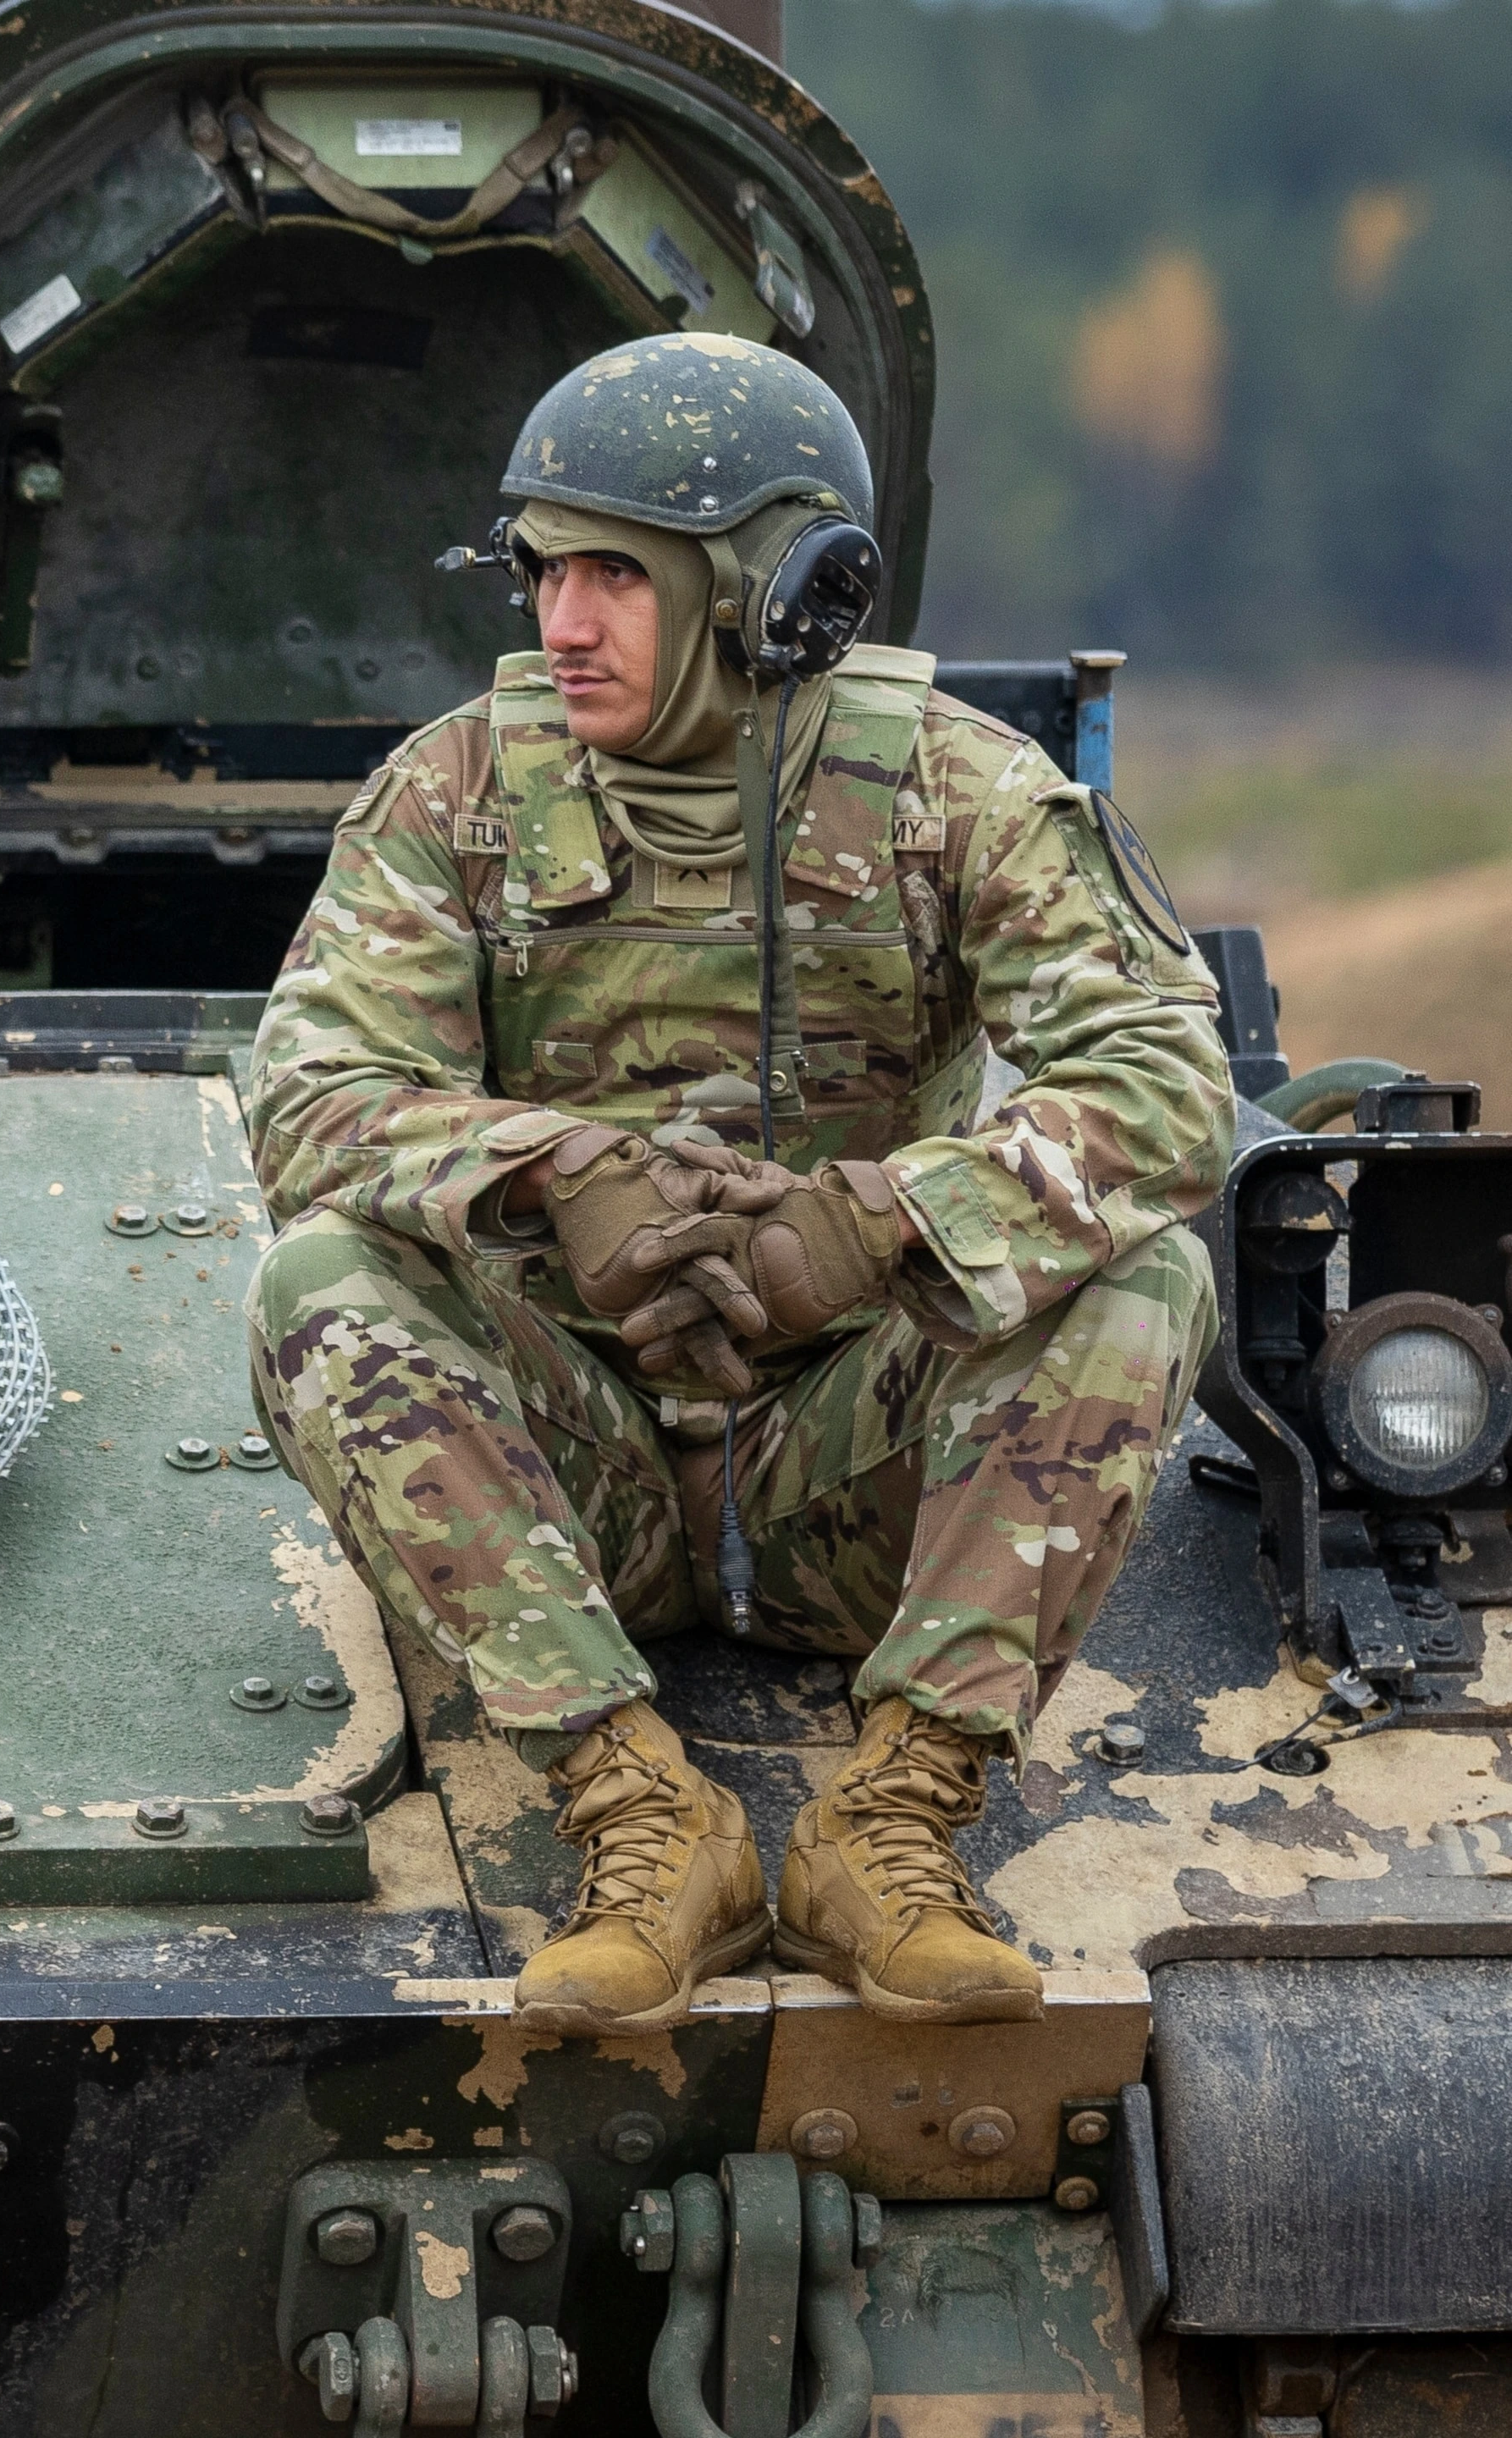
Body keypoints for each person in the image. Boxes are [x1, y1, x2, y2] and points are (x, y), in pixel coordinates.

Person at [242, 333, 1233, 2033]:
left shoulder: (956, 790)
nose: (558, 621)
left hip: (856, 1473)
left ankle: (892, 1821)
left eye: (614, 572)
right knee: (317, 1285)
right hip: (581, 1475)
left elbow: (1164, 1090)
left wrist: (878, 1226)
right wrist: (546, 1170)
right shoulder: (456, 791)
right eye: (541, 567)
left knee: (1146, 1279)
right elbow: (311, 1101)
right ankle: (642, 1818)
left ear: (775, 591)